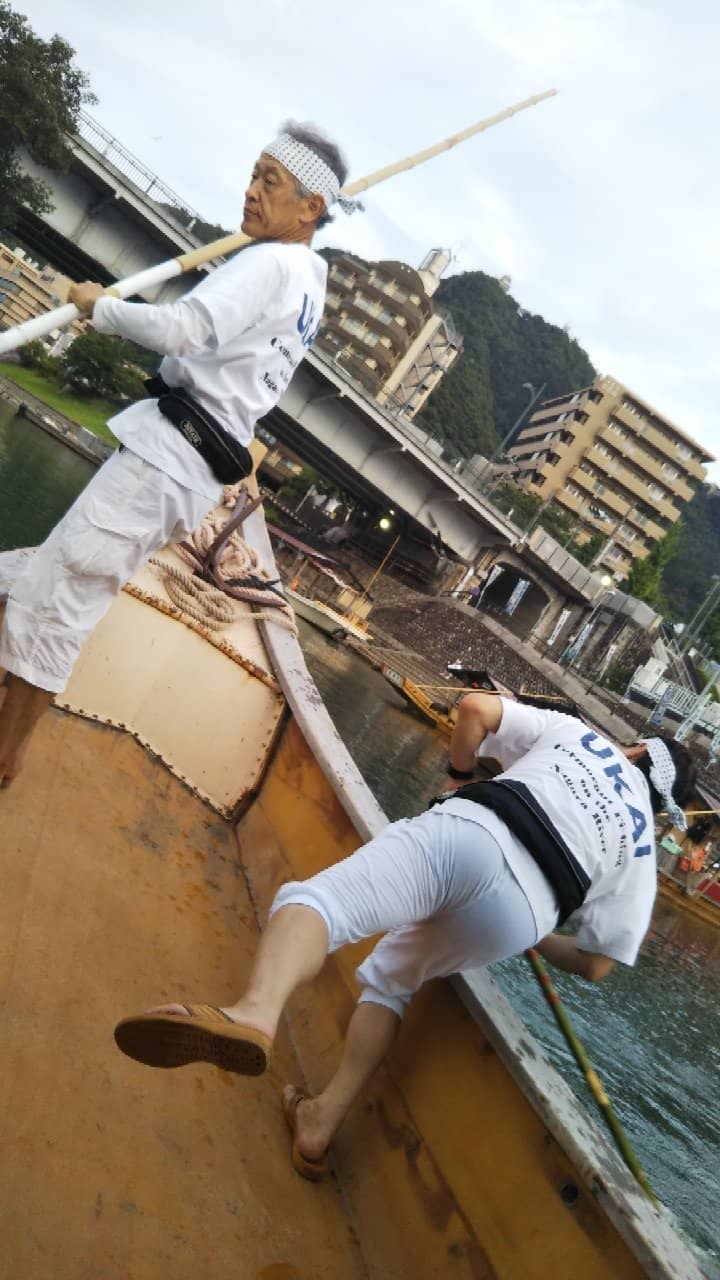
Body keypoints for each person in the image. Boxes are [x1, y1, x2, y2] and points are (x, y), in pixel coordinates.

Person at [114, 692, 696, 1180]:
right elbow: (596, 964)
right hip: (523, 915)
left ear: (637, 749)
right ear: (660, 802)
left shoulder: (582, 736)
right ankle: (318, 1122)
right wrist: (535, 936)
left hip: (475, 831)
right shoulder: (645, 852)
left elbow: (473, 709)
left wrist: (457, 778)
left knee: (317, 902)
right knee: (392, 981)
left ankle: (254, 1014)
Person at [0, 122, 357, 787]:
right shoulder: (310, 284)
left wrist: (101, 307)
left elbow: (185, 330)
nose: (251, 191)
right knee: (49, 576)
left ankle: (6, 754)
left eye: (270, 181)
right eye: (253, 175)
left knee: (63, 599)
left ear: (310, 207)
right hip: (187, 471)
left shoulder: (272, 263)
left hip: (168, 459)